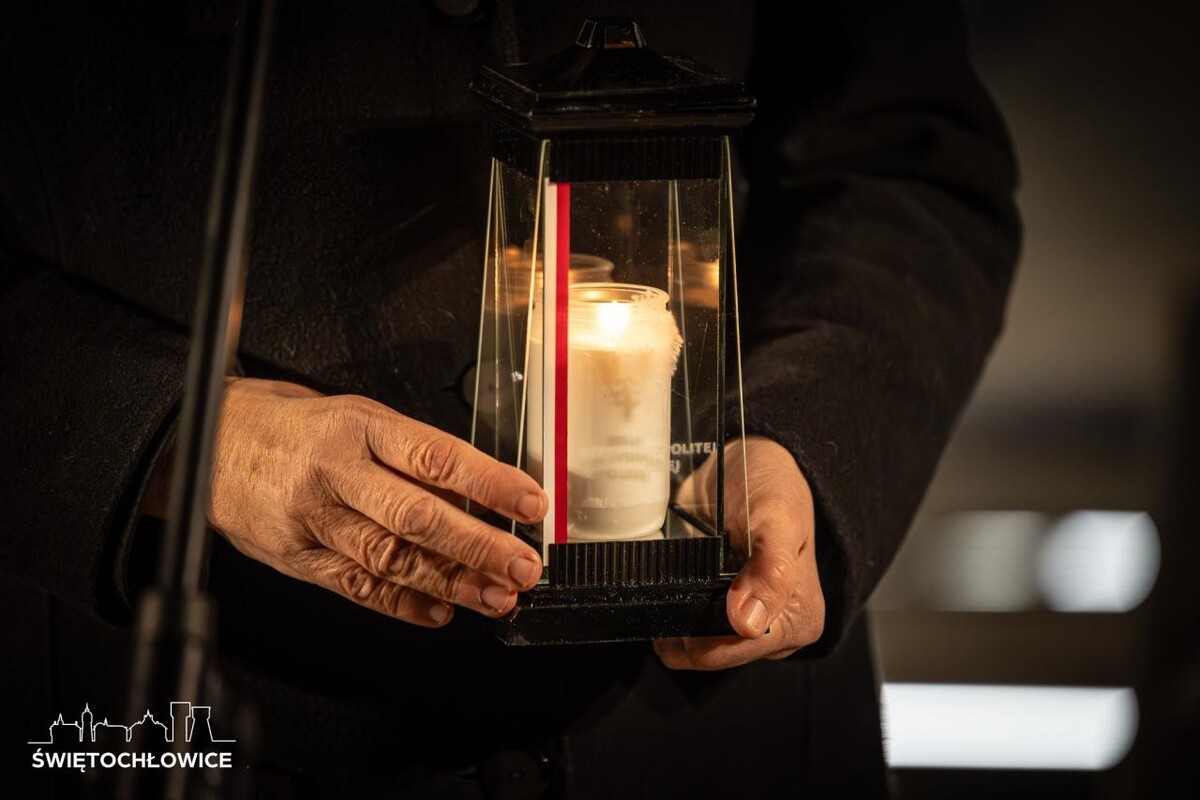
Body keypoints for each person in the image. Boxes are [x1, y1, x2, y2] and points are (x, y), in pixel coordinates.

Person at [0, 1, 1019, 797]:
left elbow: (906, 158)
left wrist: (798, 442)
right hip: (199, 696)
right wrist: (188, 443)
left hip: (698, 733)